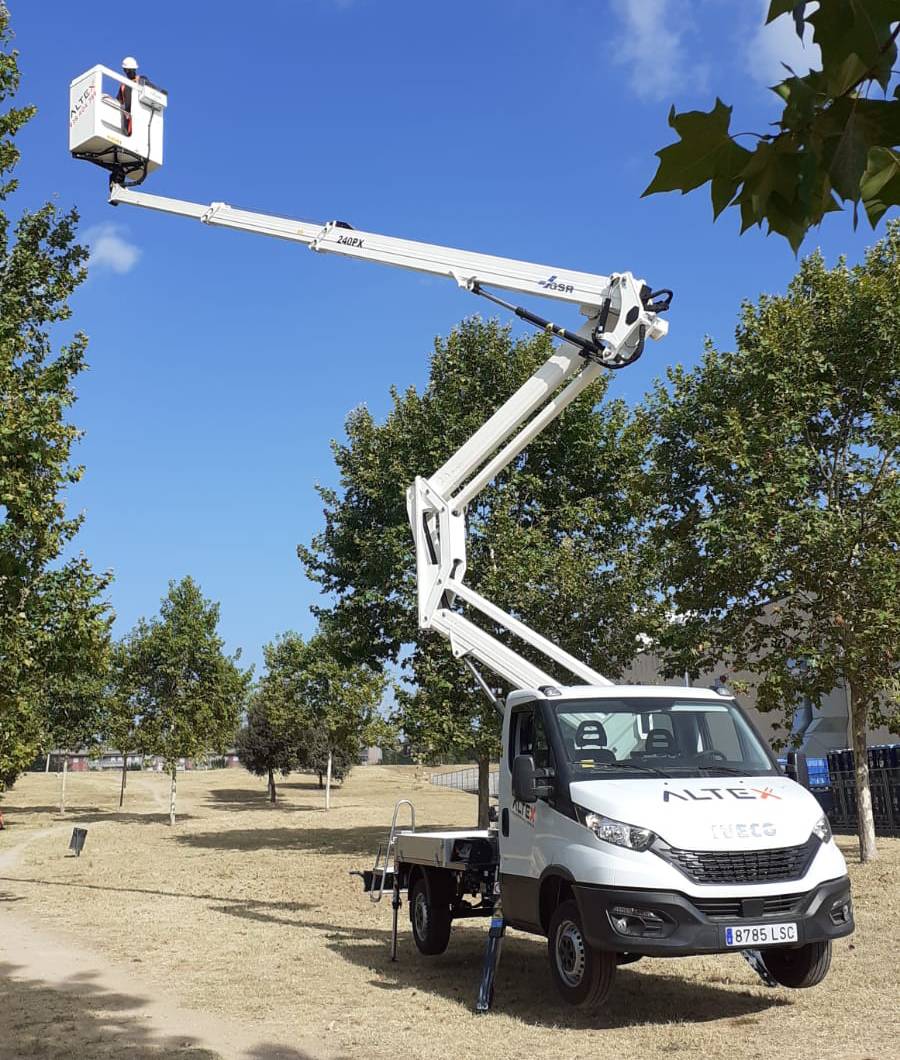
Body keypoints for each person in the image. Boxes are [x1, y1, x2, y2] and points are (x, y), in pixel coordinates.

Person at [117, 56, 139, 136]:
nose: (130, 72)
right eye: (128, 70)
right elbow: (119, 101)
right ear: (125, 71)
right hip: (128, 115)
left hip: (139, 112)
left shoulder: (141, 80)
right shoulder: (123, 85)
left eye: (132, 70)